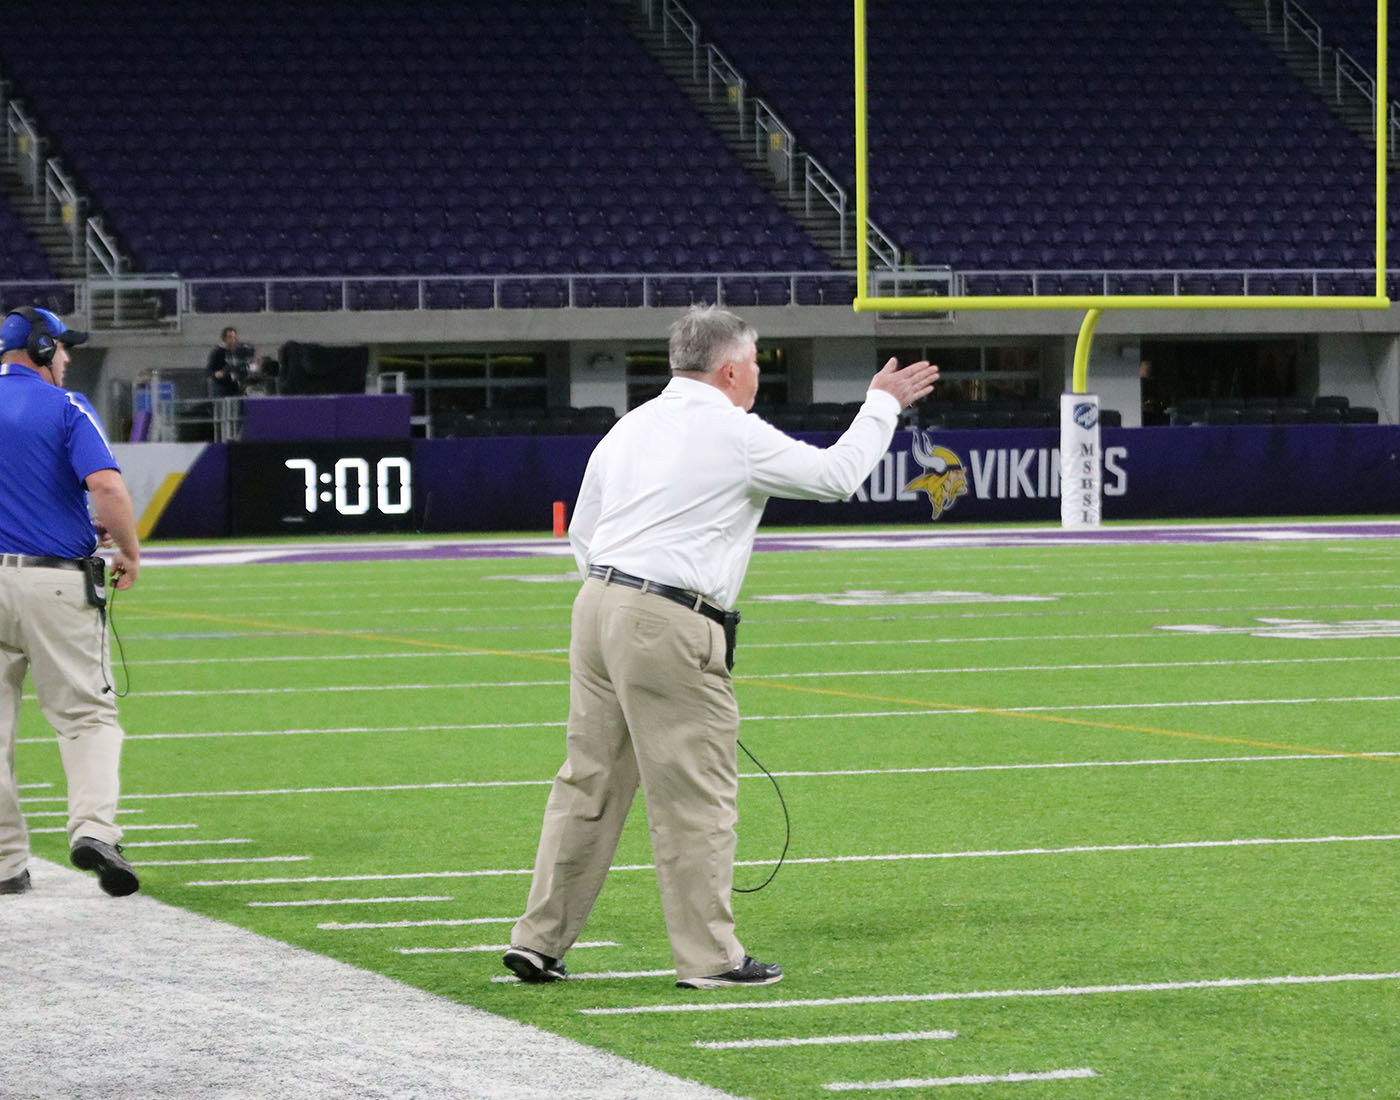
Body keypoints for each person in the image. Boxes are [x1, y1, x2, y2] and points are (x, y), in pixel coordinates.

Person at [505, 305, 938, 989]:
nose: (759, 376)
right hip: (666, 614)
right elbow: (835, 477)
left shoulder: (631, 424)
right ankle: (710, 957)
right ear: (731, 369)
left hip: (596, 606)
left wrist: (620, 599)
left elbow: (583, 530)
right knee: (695, 794)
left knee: (587, 783)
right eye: (758, 363)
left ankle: (540, 940)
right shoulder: (732, 429)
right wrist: (879, 406)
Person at [0, 307, 142, 898]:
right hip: (55, 585)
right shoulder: (66, 405)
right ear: (39, 348)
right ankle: (94, 830)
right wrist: (129, 549)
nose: (66, 357)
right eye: (61, 347)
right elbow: (106, 485)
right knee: (86, 717)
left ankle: (5, 865)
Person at [206, 326, 257, 397]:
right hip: (222, 387)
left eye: (234, 337)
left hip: (237, 386)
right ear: (224, 339)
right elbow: (209, 370)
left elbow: (248, 364)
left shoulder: (239, 351)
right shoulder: (217, 352)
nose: (233, 340)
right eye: (230, 337)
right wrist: (216, 374)